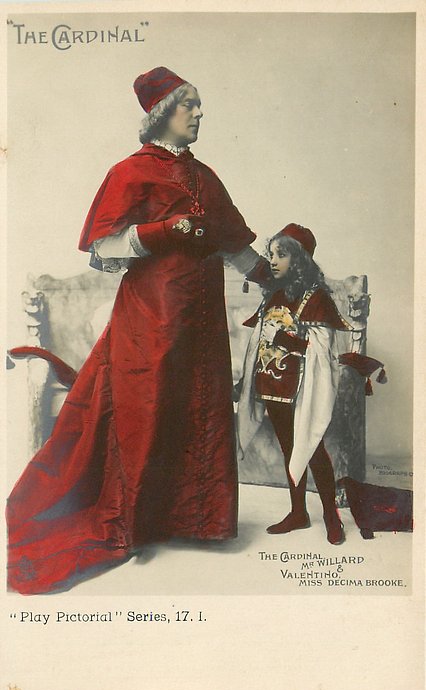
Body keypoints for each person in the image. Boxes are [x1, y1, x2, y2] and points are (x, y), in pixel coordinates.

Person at [7, 66, 269, 594]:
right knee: (148, 408)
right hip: (151, 315)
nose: (199, 113)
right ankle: (136, 522)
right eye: (189, 104)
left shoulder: (206, 176)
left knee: (198, 407)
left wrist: (284, 281)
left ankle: (193, 522)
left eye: (199, 104)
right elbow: (103, 247)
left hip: (202, 320)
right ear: (162, 113)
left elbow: (236, 247)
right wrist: (165, 229)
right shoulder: (129, 172)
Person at [236, 224, 353, 545]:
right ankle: (298, 512)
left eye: (281, 255)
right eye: (271, 254)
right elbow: (258, 345)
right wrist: (245, 381)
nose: (273, 261)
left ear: (299, 259)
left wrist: (283, 338)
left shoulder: (316, 298)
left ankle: (331, 516)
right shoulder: (273, 294)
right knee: (289, 449)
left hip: (300, 389)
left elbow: (321, 351)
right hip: (271, 386)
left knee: (312, 449)